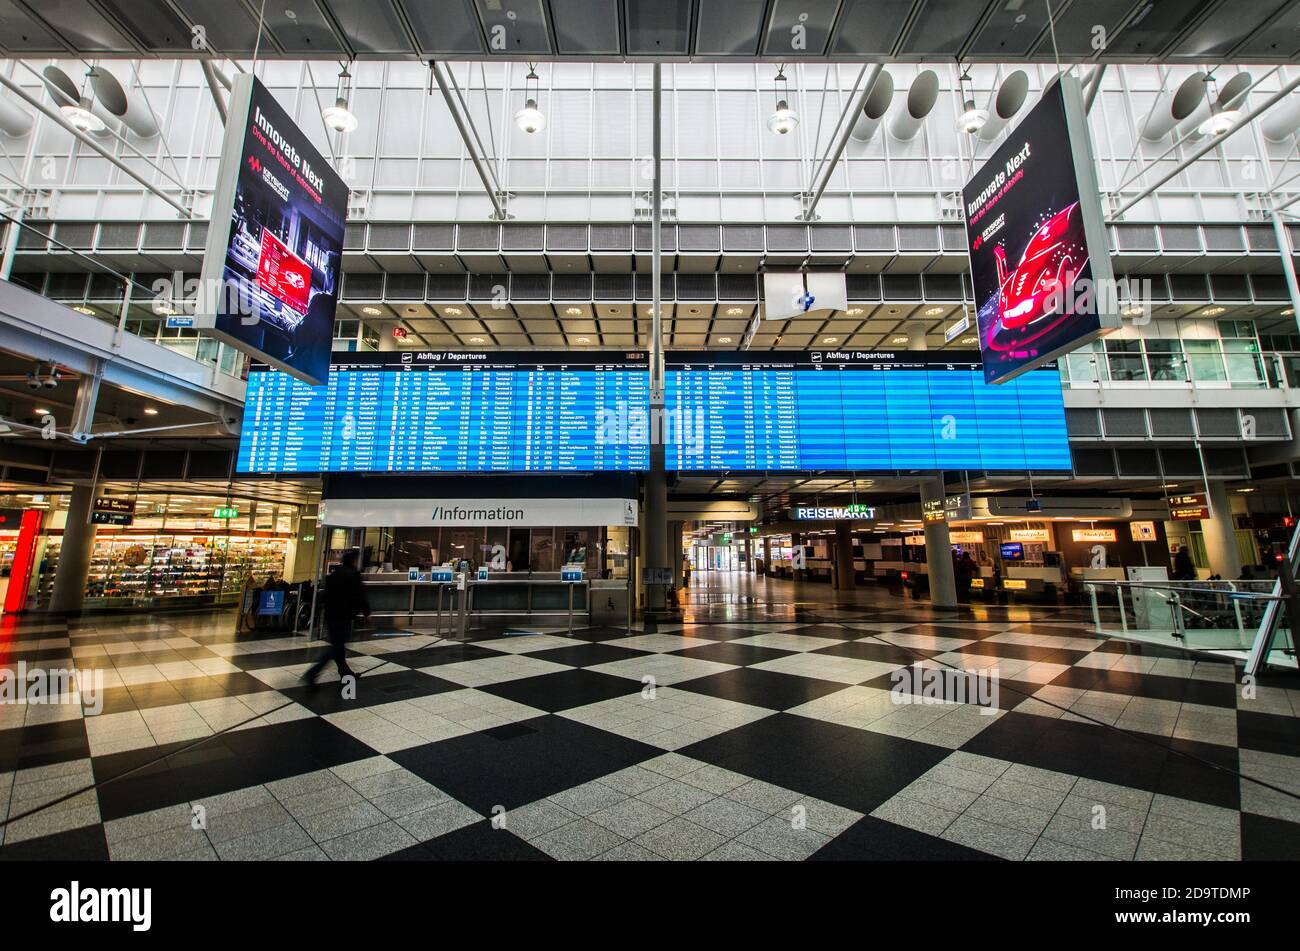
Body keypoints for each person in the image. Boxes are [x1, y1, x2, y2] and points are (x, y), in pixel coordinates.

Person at [304, 550, 370, 688]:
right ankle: (313, 672)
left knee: (338, 646)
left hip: (330, 615)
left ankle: (346, 675)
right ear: (353, 561)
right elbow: (359, 595)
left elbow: (327, 594)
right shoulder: (353, 575)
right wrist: (366, 612)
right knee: (337, 647)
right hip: (343, 615)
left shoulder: (334, 574)